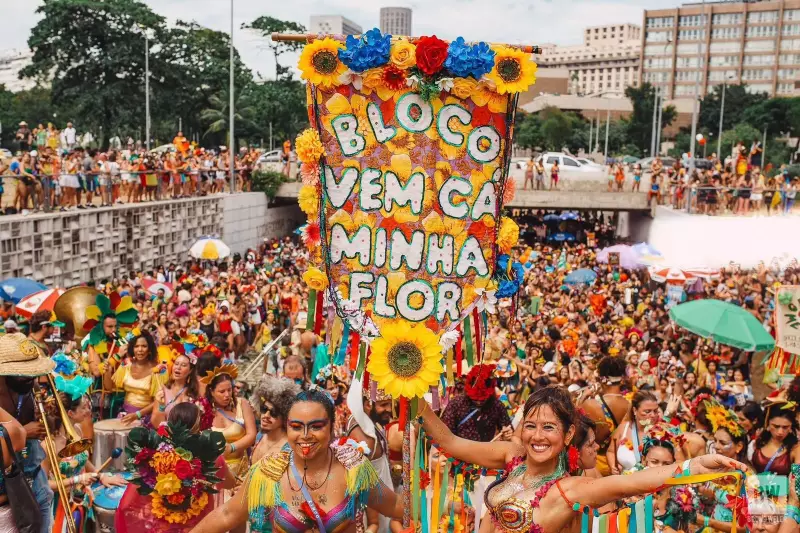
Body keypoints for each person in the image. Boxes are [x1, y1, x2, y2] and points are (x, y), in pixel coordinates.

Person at [418, 385, 746, 533]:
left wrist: (692, 465)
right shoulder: (512, 455)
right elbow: (449, 440)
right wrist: (410, 394)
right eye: (530, 426)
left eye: (549, 427)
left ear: (568, 434)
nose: (537, 436)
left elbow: (632, 482)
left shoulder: (571, 489)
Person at [188, 389, 403, 533]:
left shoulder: (352, 468)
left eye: (316, 426)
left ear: (331, 427)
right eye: (296, 426)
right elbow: (227, 514)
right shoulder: (268, 472)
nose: (305, 435)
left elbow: (394, 505)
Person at [115, 403, 237, 533]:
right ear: (198, 428)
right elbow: (230, 483)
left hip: (163, 528)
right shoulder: (211, 458)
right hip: (199, 528)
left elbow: (127, 504)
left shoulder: (155, 457)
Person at [47, 387, 127, 533]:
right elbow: (44, 485)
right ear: (70, 413)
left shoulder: (77, 429)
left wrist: (100, 475)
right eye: (83, 407)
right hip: (61, 506)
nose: (88, 410)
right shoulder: (49, 444)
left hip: (81, 499)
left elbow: (82, 460)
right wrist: (77, 479)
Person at [0, 333, 56, 533]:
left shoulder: (29, 387)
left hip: (36, 478)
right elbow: (15, 438)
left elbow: (42, 427)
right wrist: (25, 431)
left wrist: (48, 420)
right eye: (23, 373)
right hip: (9, 497)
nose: (31, 379)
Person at [346, 385, 395, 533]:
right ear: (368, 404)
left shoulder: (368, 422)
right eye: (383, 405)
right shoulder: (361, 435)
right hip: (374, 509)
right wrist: (372, 524)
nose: (389, 409)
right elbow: (362, 484)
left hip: (384, 500)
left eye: (390, 403)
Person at [204, 364, 256, 490]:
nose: (227, 395)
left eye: (229, 390)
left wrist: (232, 447)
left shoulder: (241, 403)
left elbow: (252, 435)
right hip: (216, 472)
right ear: (211, 392)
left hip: (241, 471)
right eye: (222, 391)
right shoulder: (203, 410)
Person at [579, 356, 630, 476]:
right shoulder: (630, 405)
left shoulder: (590, 404)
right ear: (621, 379)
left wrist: (582, 399)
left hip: (595, 464)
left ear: (602, 379)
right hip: (621, 464)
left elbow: (578, 429)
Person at [103, 331, 166, 424]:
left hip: (146, 418)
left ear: (149, 350)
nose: (140, 349)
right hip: (125, 415)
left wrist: (138, 414)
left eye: (144, 346)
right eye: (136, 346)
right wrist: (108, 371)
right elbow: (109, 388)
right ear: (132, 349)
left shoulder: (159, 369)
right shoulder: (126, 363)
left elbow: (159, 401)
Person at [441, 364, 511, 442]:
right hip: (458, 452)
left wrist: (507, 434)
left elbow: (507, 428)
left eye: (482, 399)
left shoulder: (497, 406)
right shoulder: (456, 403)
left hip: (487, 452)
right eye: (475, 399)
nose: (478, 402)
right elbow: (444, 433)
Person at [250, 375, 300, 464]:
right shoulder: (260, 436)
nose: (266, 415)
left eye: (274, 413)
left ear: (285, 417)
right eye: (264, 409)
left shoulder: (289, 449)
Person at [607, 391, 660, 474]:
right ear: (635, 410)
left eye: (655, 411)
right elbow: (611, 451)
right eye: (647, 411)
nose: (653, 415)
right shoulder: (623, 428)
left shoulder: (662, 432)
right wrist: (613, 465)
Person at [150, 351, 198, 428]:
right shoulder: (163, 390)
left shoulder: (195, 392)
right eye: (176, 364)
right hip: (166, 436)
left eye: (183, 365)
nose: (178, 367)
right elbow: (155, 423)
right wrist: (161, 406)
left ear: (190, 370)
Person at [752, 403, 799, 476]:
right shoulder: (759, 442)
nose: (780, 432)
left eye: (785, 427)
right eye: (776, 426)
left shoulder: (796, 448)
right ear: (767, 424)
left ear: (791, 428)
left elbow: (797, 479)